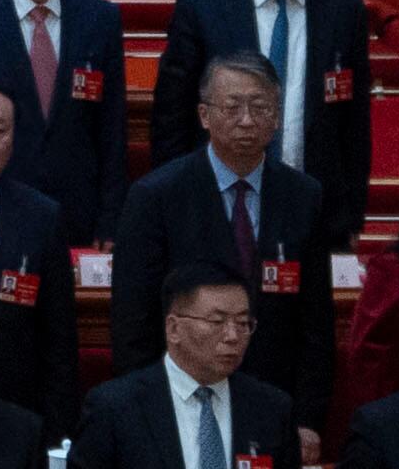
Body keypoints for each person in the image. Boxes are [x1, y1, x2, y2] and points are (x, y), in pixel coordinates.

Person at [109, 51, 346, 432]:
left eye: (260, 107)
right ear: (204, 116)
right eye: (233, 107)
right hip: (180, 399)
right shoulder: (157, 196)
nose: (247, 120)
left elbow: (315, 320)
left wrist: (307, 420)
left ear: (277, 116)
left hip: (274, 401)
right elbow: (133, 322)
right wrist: (145, 411)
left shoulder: (304, 196)